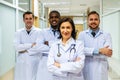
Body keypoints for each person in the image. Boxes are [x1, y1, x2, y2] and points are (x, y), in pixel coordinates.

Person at [78, 11, 112, 80]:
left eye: (96, 19)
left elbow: (108, 53)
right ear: (88, 21)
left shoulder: (106, 35)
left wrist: (88, 51)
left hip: (101, 69)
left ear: (99, 21)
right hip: (86, 68)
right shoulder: (82, 35)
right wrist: (99, 50)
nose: (93, 21)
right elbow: (80, 51)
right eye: (91, 19)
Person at [14, 11, 40, 80]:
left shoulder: (39, 32)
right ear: (23, 20)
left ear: (33, 19)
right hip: (22, 61)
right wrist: (31, 45)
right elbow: (16, 47)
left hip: (35, 61)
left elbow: (38, 47)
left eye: (30, 18)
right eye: (26, 18)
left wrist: (23, 48)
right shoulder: (18, 32)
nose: (28, 20)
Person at [36, 10, 61, 80]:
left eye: (56, 17)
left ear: (59, 19)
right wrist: (57, 47)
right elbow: (38, 47)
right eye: (51, 17)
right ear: (49, 19)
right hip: (45, 61)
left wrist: (49, 43)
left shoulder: (63, 31)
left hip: (60, 61)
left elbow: (65, 45)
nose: (54, 19)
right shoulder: (43, 32)